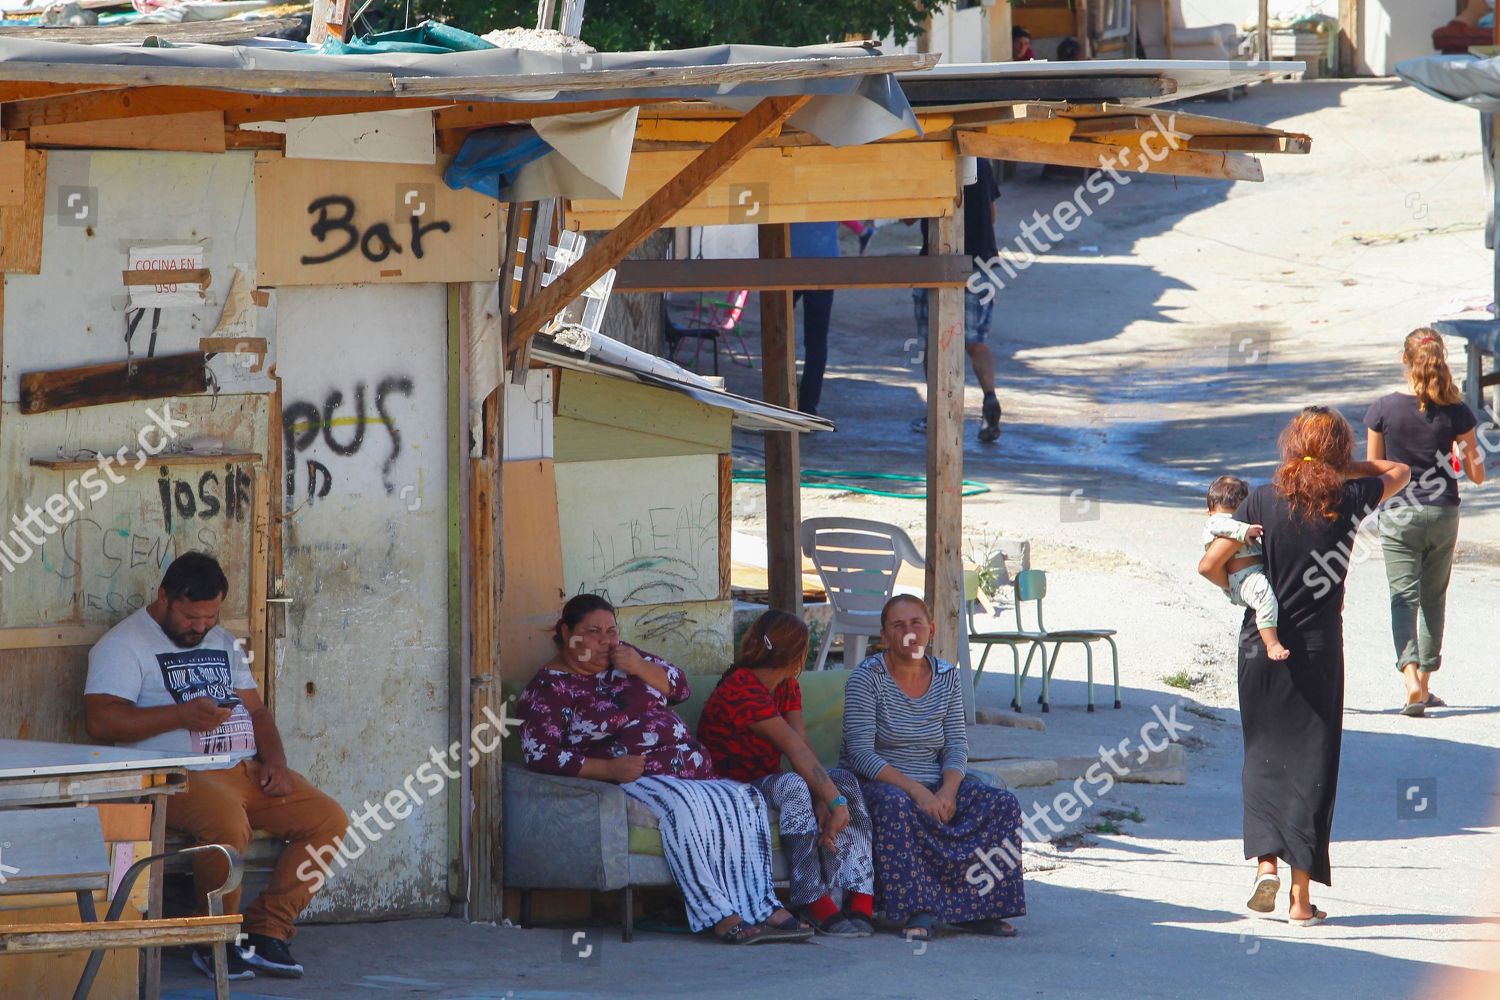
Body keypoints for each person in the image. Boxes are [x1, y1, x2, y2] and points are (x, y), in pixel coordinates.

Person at [84, 552, 346, 982]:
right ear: (163, 597)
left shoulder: (221, 640)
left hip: (241, 767)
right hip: (174, 774)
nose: (200, 627)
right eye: (190, 617)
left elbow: (257, 711)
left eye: (209, 616)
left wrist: (276, 762)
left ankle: (267, 930)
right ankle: (214, 938)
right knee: (227, 824)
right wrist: (179, 716)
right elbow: (100, 720)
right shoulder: (123, 645)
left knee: (326, 818)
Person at [1199, 407, 1408, 925]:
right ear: (1338, 450)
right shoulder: (1348, 497)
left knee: (1262, 756)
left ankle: (1263, 866)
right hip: (1318, 650)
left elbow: (1209, 563)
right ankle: (1299, 899)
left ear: (1289, 446)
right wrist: (1344, 466)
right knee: (1313, 766)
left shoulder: (1260, 500)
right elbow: (1398, 471)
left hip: (1259, 647)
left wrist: (1241, 593)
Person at [517, 594, 813, 945]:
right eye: (593, 632)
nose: (606, 641)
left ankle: (762, 906)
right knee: (685, 809)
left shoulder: (624, 657)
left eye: (612, 631)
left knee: (745, 799)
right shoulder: (548, 687)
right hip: (639, 775)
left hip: (691, 769)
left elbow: (680, 686)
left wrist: (639, 667)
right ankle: (719, 913)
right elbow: (540, 754)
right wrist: (608, 767)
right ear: (566, 633)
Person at [841, 595, 1027, 941]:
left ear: (931, 629)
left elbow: (956, 745)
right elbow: (861, 755)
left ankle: (979, 909)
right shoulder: (867, 679)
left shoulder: (947, 676)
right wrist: (919, 793)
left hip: (934, 780)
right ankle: (917, 910)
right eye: (898, 625)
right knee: (897, 806)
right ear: (884, 635)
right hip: (881, 781)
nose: (908, 632)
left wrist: (947, 790)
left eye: (916, 623)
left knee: (1001, 804)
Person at [697, 610, 876, 937]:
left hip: (764, 780)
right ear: (798, 655)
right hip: (731, 789)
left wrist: (826, 794)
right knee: (795, 785)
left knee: (843, 780)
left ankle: (861, 897)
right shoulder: (741, 687)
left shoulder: (787, 686)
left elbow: (802, 743)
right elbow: (792, 748)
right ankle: (813, 900)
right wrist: (831, 800)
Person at [1364, 328, 1485, 716]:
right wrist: (1457, 456)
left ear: (1405, 359)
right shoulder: (1457, 410)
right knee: (1434, 598)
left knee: (1403, 597)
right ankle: (1426, 684)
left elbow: (1373, 470)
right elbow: (1477, 473)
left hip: (1399, 512)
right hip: (1444, 511)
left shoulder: (1382, 410)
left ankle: (1410, 678)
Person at [910, 158, 1003, 442]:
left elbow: (909, 216)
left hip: (936, 263)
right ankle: (990, 398)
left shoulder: (930, 162)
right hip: (980, 265)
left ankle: (937, 411)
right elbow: (993, 215)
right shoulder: (982, 164)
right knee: (976, 343)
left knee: (933, 341)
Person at [1202, 475, 1287, 660]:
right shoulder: (1216, 522)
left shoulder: (1234, 521)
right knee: (1265, 598)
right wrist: (1244, 530)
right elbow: (1222, 524)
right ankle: (1272, 643)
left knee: (1269, 598)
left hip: (1249, 575)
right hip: (1244, 578)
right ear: (1210, 511)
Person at [790, 221, 838, 417]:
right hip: (824, 261)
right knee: (816, 341)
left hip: (787, 260)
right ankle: (808, 407)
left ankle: (780, 400)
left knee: (779, 332)